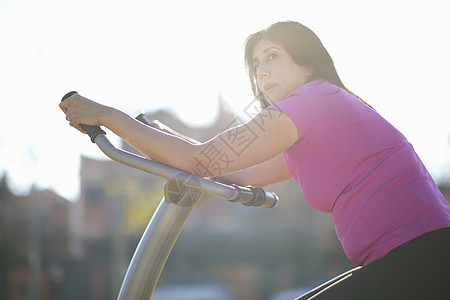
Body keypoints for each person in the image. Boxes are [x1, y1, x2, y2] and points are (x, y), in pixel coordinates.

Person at [60, 21, 450, 299]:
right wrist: (159, 138)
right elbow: (233, 170)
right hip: (406, 258)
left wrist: (110, 116)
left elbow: (203, 161)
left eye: (272, 57)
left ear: (308, 64)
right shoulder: (310, 126)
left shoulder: (311, 101)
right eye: (256, 66)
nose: (262, 72)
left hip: (422, 256)